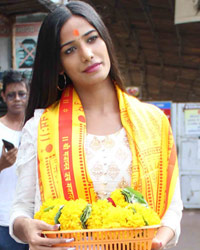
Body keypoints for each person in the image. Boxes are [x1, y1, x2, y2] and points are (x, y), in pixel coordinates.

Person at [9, 1, 183, 249]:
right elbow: (21, 208)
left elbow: (172, 207)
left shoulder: (152, 122)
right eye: (70, 50)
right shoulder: (40, 128)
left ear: (105, 41)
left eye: (92, 39)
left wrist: (159, 238)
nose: (87, 54)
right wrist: (24, 227)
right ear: (58, 65)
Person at [0, 70, 29, 250]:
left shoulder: (38, 127)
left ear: (28, 94)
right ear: (3, 96)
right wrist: (2, 165)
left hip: (35, 217)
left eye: (21, 94)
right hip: (4, 217)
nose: (17, 99)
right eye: (11, 95)